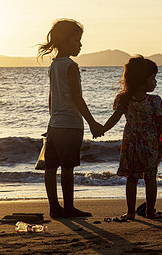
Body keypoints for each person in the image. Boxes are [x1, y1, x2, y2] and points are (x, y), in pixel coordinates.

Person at [38, 19, 103, 218]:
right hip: (71, 125)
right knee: (67, 168)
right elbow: (77, 97)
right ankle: (68, 208)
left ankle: (54, 208)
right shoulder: (71, 66)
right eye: (77, 41)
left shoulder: (54, 65)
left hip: (55, 124)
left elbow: (51, 97)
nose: (80, 45)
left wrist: (51, 120)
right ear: (65, 43)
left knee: (50, 167)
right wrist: (93, 123)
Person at [103, 56, 162, 219]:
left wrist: (102, 129)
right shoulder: (154, 101)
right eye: (153, 79)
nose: (155, 82)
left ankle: (131, 213)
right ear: (141, 82)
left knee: (131, 179)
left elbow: (114, 119)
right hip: (150, 144)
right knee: (150, 178)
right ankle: (150, 212)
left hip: (131, 143)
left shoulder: (123, 99)